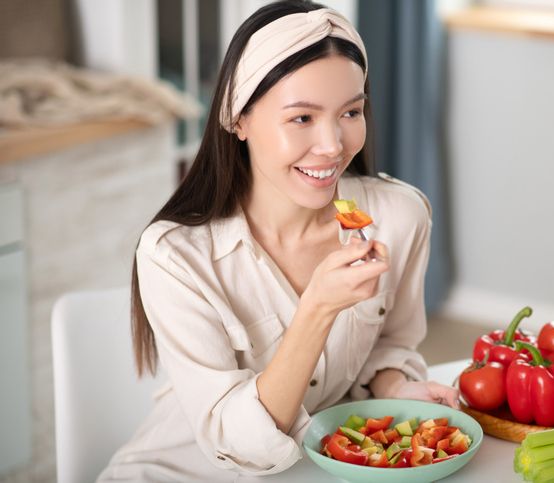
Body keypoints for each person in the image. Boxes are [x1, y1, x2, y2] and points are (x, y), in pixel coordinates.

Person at [98, 1, 459, 480]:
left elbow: (389, 342)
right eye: (302, 118)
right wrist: (317, 309)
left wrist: (396, 383)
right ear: (238, 118)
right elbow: (239, 449)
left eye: (351, 111)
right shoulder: (174, 257)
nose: (333, 144)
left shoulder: (398, 216)